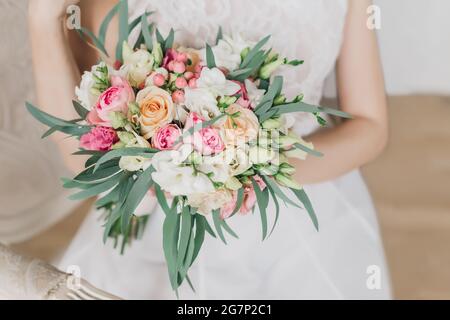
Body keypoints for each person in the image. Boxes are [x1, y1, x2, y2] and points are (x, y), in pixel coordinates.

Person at [28, 0, 391, 299]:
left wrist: (247, 169)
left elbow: (370, 125)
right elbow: (87, 162)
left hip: (306, 218)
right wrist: (44, 19)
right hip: (160, 232)